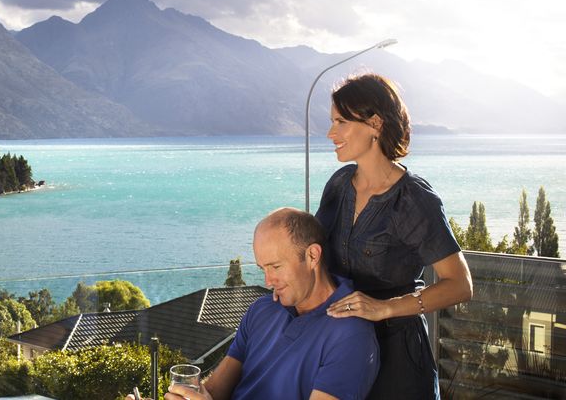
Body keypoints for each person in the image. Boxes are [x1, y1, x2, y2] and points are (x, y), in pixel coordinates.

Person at [315, 73, 473, 399]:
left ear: (374, 124)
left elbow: (460, 284)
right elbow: (315, 255)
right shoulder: (338, 185)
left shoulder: (414, 199)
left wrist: (384, 308)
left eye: (341, 122)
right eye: (332, 122)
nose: (331, 133)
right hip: (339, 348)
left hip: (397, 358)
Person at [152, 207, 379, 400]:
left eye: (276, 267)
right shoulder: (261, 310)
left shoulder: (352, 335)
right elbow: (213, 392)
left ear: (312, 256)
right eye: (263, 269)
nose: (268, 281)